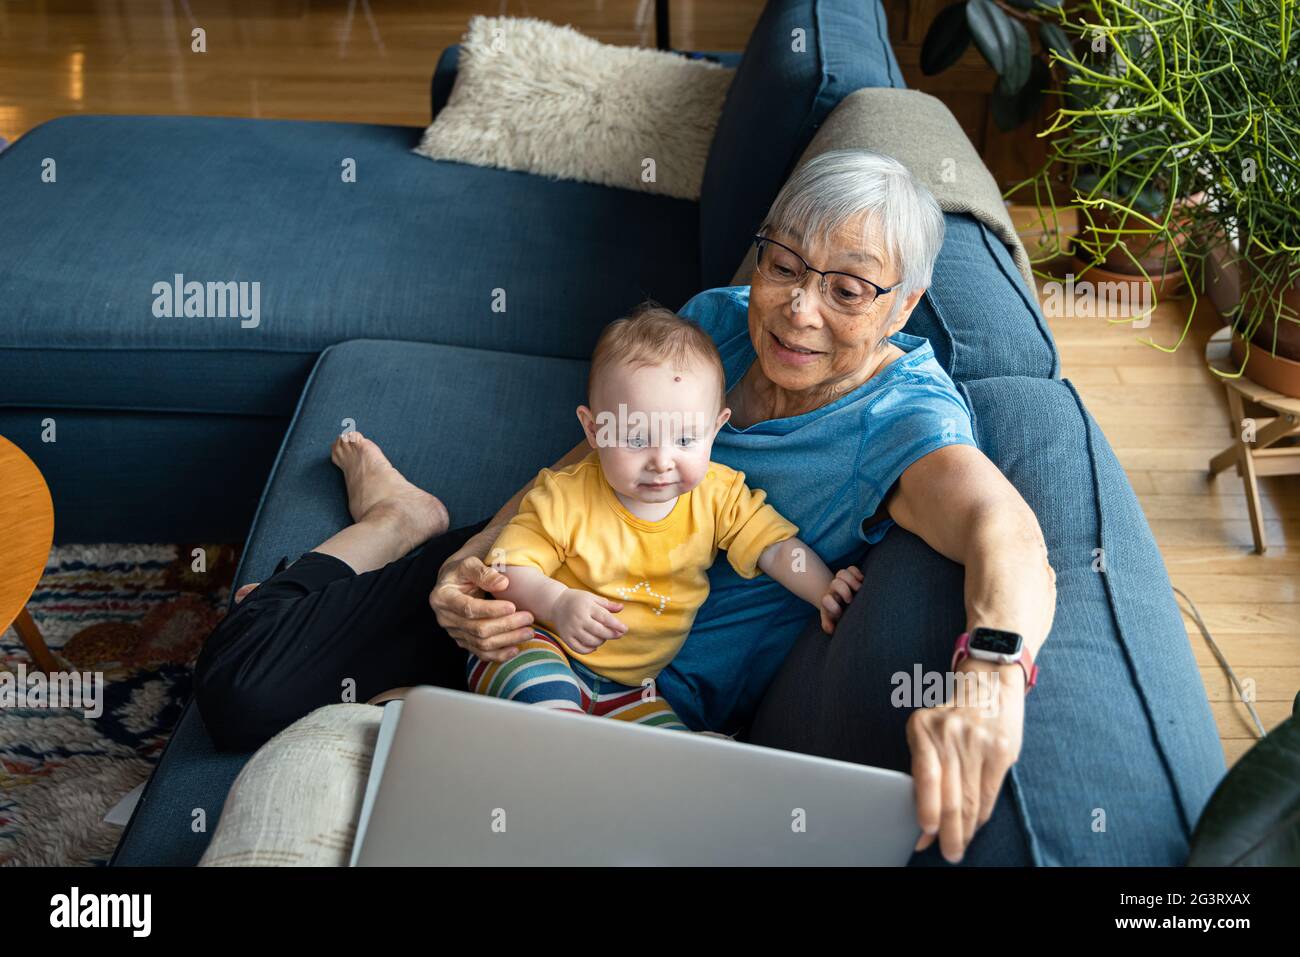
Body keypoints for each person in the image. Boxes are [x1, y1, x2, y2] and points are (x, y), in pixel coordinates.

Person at [196, 149, 1057, 864]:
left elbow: (1006, 530)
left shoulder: (902, 420)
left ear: (904, 304)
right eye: (784, 263)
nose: (798, 308)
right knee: (238, 686)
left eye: (847, 288)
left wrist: (991, 677)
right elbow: (588, 460)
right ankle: (397, 522)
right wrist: (473, 563)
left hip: (632, 689)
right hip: (531, 585)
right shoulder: (718, 321)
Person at [468, 305, 863, 730]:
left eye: (685, 438)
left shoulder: (718, 496)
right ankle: (557, 749)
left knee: (672, 753)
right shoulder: (564, 496)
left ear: (715, 429)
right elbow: (508, 566)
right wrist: (558, 602)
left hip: (635, 689)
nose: (661, 460)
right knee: (545, 709)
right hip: (541, 647)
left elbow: (775, 547)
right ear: (594, 430)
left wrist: (824, 589)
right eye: (636, 437)